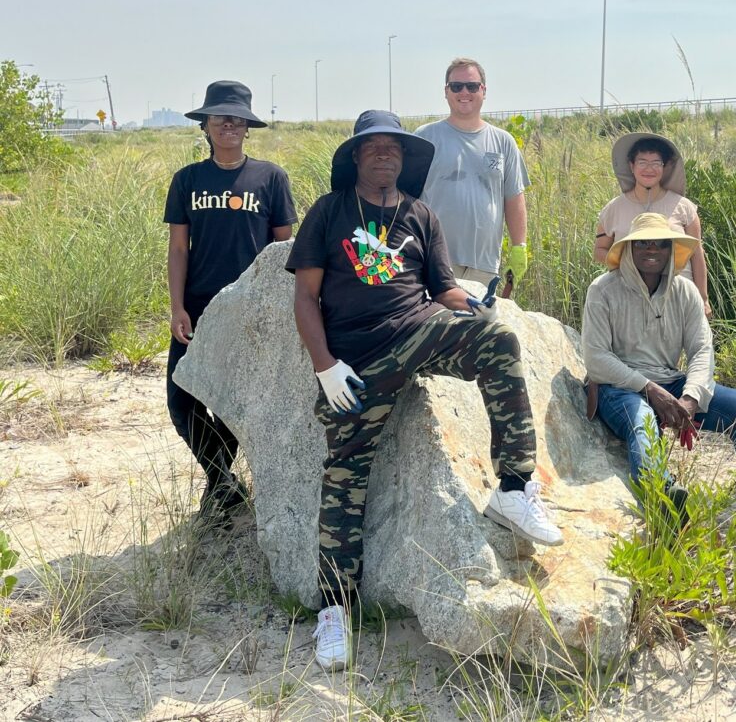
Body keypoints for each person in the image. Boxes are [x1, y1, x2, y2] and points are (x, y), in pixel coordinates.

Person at [287, 110, 562, 671]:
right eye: (373, 148)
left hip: (420, 334)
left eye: (394, 148)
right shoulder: (330, 211)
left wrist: (476, 303)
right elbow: (304, 298)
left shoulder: (420, 215)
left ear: (406, 160)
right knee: (344, 478)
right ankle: (334, 613)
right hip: (357, 365)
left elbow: (442, 292)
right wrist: (325, 367)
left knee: (497, 341)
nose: (384, 155)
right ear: (357, 158)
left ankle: (513, 486)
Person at [581, 212, 736, 534]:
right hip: (619, 386)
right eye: (642, 243)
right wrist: (651, 390)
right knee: (642, 420)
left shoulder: (685, 291)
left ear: (670, 250)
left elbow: (702, 349)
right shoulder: (603, 290)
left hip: (670, 381)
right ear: (629, 249)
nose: (651, 250)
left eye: (660, 243)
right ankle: (666, 499)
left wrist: (691, 397)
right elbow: (596, 359)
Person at [164, 80, 297, 520]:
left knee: (233, 400)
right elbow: (178, 248)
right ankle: (222, 480)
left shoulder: (270, 178)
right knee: (181, 398)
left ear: (247, 126)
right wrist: (177, 306)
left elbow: (284, 251)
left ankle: (218, 490)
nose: (229, 124)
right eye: (220, 117)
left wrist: (279, 310)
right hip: (199, 304)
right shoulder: (187, 180)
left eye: (237, 118)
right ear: (205, 125)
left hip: (250, 307)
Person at [416, 58, 530, 289]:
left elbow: (514, 198)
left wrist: (519, 247)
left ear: (484, 90)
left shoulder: (503, 141)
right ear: (446, 91)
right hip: (434, 260)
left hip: (484, 265)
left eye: (472, 86)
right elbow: (407, 198)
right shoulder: (425, 138)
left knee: (478, 324)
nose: (464, 92)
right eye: (456, 86)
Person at [594, 133, 714, 317]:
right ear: (631, 166)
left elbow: (697, 254)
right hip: (629, 301)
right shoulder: (612, 210)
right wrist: (630, 265)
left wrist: (703, 299)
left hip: (679, 300)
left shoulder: (684, 208)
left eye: (656, 163)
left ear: (664, 168)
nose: (649, 169)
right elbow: (600, 250)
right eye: (642, 162)